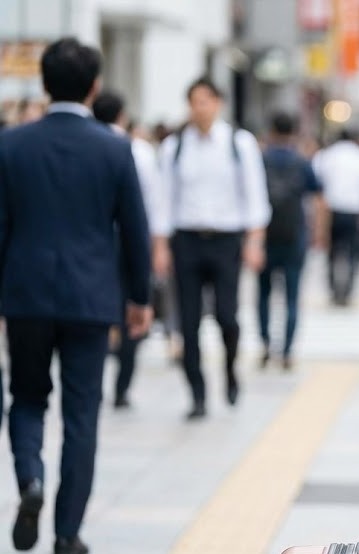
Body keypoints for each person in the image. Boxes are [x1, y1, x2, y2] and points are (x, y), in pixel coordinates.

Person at [0, 38, 153, 554]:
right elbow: (134, 229)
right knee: (81, 415)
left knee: (25, 397)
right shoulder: (115, 147)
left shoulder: (11, 145)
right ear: (94, 87)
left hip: (24, 296)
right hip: (91, 299)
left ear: (44, 84)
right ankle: (67, 534)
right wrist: (139, 298)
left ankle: (30, 481)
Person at [155, 77, 271, 420]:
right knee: (187, 322)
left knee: (227, 316)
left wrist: (254, 241)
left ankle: (231, 372)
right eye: (194, 101)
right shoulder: (174, 147)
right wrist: (160, 246)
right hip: (186, 240)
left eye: (206, 101)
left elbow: (254, 195)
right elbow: (163, 201)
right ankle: (197, 393)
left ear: (218, 103)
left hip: (226, 241)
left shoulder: (239, 143)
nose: (199, 108)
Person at [92, 90, 171, 409]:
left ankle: (93, 382)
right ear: (122, 116)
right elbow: (148, 209)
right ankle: (122, 385)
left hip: (90, 247)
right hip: (125, 244)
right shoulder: (134, 150)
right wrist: (157, 248)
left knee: (93, 316)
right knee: (131, 316)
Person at [258, 112, 323, 370]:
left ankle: (265, 343)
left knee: (263, 294)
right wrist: (318, 231)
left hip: (265, 235)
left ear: (271, 130)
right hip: (294, 235)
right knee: (292, 296)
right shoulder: (301, 161)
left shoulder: (261, 159)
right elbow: (317, 196)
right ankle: (286, 351)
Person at [312, 127, 359, 306]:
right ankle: (348, 289)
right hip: (355, 210)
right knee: (353, 251)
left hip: (332, 210)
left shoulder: (326, 155)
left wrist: (318, 220)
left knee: (332, 251)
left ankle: (333, 288)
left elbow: (317, 189)